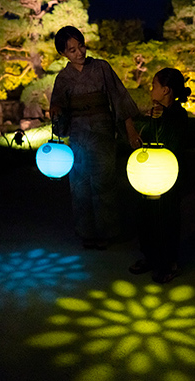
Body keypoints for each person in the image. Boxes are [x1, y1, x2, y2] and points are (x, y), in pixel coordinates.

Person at [50, 26, 142, 250]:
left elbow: (119, 98)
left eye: (80, 45)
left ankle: (108, 231)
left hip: (102, 132)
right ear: (63, 54)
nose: (79, 52)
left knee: (105, 182)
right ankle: (86, 232)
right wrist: (56, 111)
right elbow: (57, 109)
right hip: (78, 136)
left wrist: (130, 130)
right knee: (80, 184)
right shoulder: (63, 78)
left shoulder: (101, 67)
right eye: (71, 50)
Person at [129, 68, 190, 284]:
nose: (151, 89)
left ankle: (168, 263)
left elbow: (174, 143)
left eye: (154, 85)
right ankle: (150, 257)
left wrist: (162, 118)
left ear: (166, 90)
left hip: (167, 177)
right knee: (146, 217)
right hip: (150, 177)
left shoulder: (178, 115)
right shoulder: (156, 112)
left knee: (167, 220)